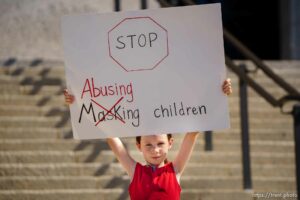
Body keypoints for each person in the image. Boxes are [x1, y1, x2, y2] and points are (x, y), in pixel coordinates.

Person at [64, 78, 232, 200]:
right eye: (148, 145)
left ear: (170, 143)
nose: (155, 150)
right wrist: (78, 103)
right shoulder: (135, 171)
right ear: (138, 146)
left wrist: (218, 95)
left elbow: (193, 133)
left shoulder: (175, 170)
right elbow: (109, 133)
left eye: (160, 144)